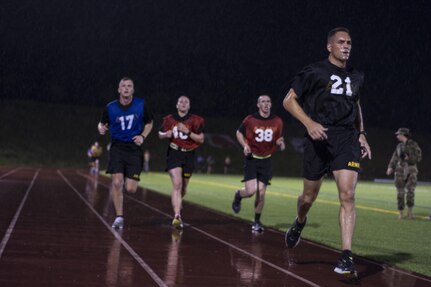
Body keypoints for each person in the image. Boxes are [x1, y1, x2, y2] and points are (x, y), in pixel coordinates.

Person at [282, 27, 371, 276]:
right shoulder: (314, 71)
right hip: (319, 137)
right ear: (329, 46)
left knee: (348, 195)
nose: (346, 46)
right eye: (341, 42)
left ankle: (346, 256)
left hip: (346, 138)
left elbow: (356, 104)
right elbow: (288, 100)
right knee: (308, 198)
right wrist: (309, 123)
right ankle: (300, 221)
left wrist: (361, 134)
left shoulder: (356, 76)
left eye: (349, 42)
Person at [97, 77, 153, 229]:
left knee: (130, 189)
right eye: (123, 86)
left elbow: (149, 122)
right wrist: (101, 128)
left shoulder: (141, 104)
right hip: (117, 148)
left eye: (129, 86)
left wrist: (142, 136)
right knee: (116, 183)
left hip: (134, 149)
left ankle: (121, 211)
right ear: (119, 90)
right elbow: (102, 124)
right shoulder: (110, 107)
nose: (126, 88)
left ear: (133, 90)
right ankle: (119, 217)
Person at [232, 95, 285, 232]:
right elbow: (238, 133)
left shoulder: (277, 121)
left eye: (268, 101)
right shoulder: (250, 119)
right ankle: (238, 195)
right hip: (252, 159)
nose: (266, 104)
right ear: (258, 104)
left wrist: (281, 143)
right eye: (263, 101)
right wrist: (244, 145)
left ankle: (256, 221)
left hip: (266, 160)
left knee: (261, 193)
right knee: (250, 191)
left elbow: (279, 139)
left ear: (271, 104)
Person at [158, 95, 205, 229]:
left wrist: (187, 132)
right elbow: (159, 133)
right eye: (181, 101)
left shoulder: (196, 120)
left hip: (189, 154)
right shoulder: (169, 119)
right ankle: (177, 216)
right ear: (177, 105)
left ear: (189, 106)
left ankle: (177, 201)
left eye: (186, 102)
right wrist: (165, 135)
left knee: (183, 188)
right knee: (177, 185)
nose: (183, 103)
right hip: (174, 153)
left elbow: (201, 139)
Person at [386, 128, 422, 219]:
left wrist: (408, 158)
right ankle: (401, 213)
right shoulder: (399, 146)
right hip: (399, 170)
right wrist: (390, 167)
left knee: (410, 191)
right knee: (400, 192)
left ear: (403, 135)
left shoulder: (414, 145)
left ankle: (410, 213)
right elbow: (394, 157)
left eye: (398, 134)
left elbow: (418, 157)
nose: (397, 136)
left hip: (411, 170)